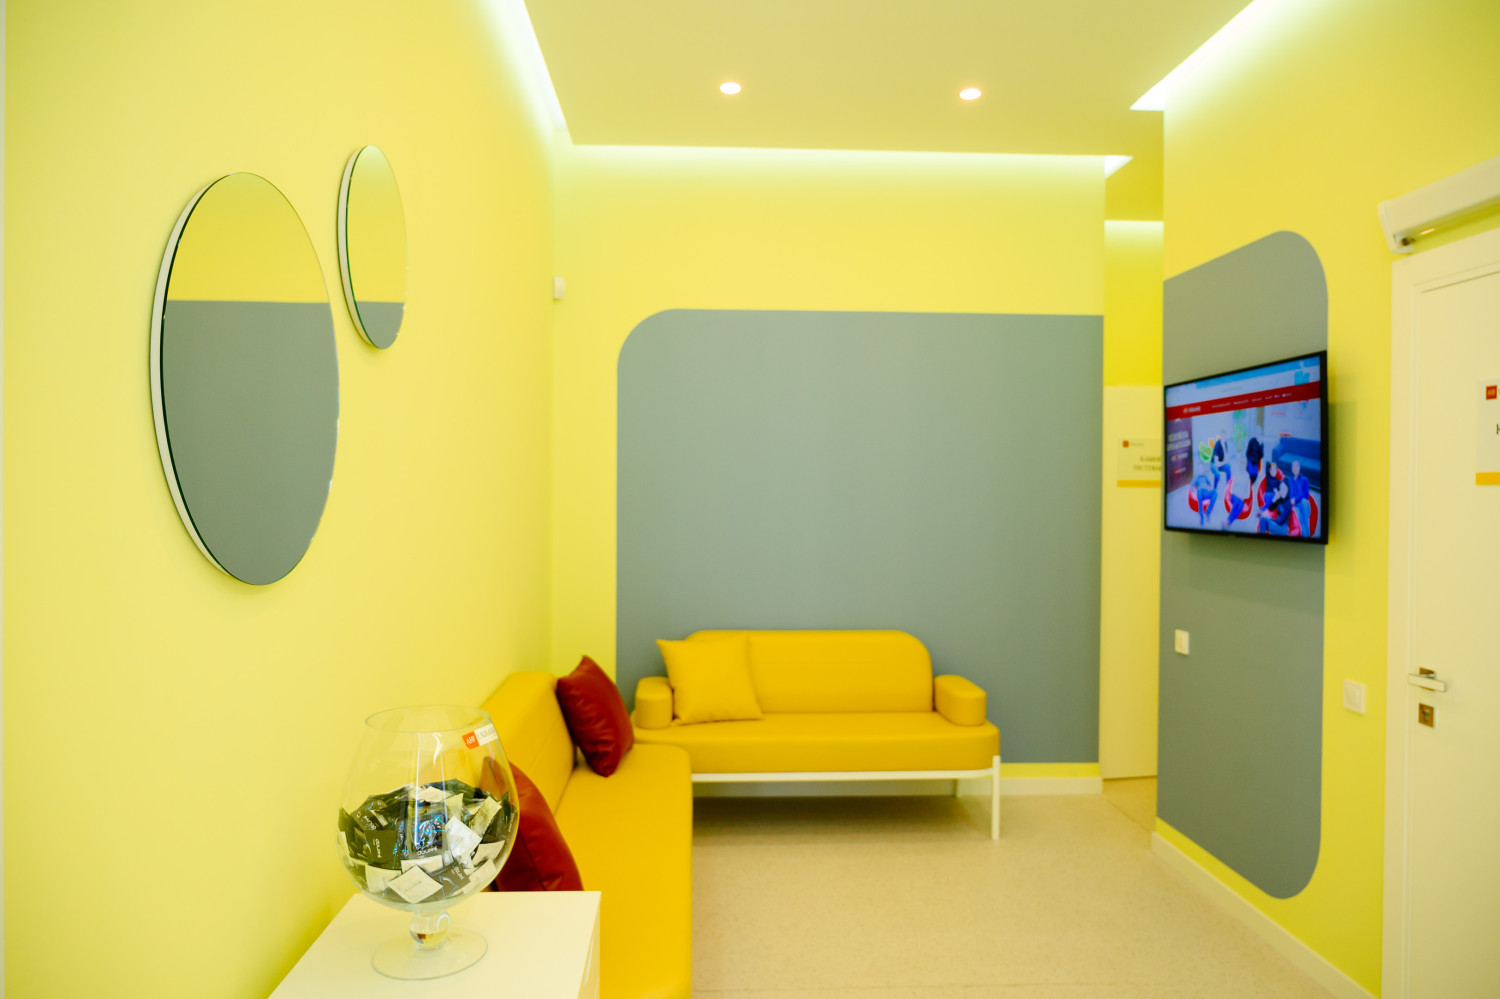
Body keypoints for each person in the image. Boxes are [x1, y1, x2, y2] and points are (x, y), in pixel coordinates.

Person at [1287, 459, 1312, 537]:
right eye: (1293, 466)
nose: (1295, 468)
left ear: (1299, 468)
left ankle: (1306, 534)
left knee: (1304, 502)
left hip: (1303, 504)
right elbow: (1288, 495)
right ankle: (1306, 536)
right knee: (1296, 513)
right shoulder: (1289, 481)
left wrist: (1295, 499)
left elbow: (1306, 495)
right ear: (1291, 469)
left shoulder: (1304, 480)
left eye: (1296, 466)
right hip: (1294, 506)